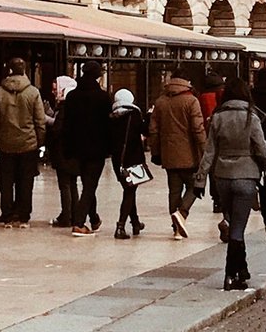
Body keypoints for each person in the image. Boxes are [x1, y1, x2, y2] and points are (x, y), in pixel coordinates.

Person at [197, 76, 266, 291]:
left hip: (223, 177)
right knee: (238, 228)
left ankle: (242, 269)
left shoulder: (218, 117)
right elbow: (263, 149)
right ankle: (230, 274)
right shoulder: (251, 116)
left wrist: (200, 180)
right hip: (246, 175)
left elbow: (209, 152)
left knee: (235, 222)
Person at [148, 73, 206, 238]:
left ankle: (176, 228)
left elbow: (153, 130)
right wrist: (205, 149)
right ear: (187, 81)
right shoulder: (191, 100)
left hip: (169, 154)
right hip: (190, 154)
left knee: (174, 191)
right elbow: (198, 128)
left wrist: (156, 151)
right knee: (195, 186)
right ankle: (182, 213)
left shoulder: (160, 102)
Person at [0, 58, 46, 226]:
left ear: (9, 71)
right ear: (24, 71)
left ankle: (7, 213)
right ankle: (23, 215)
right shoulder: (33, 92)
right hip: (28, 144)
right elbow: (40, 120)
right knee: (26, 181)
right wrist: (39, 141)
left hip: (6, 144)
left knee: (6, 181)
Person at [60, 62, 113, 235]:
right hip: (97, 148)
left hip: (76, 148)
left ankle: (94, 218)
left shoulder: (72, 96)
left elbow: (67, 125)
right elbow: (108, 125)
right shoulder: (103, 97)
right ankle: (79, 222)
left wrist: (67, 148)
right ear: (98, 75)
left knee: (88, 184)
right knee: (90, 186)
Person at [109, 88, 148, 239]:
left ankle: (136, 222)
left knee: (129, 190)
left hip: (117, 160)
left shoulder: (112, 116)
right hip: (132, 159)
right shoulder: (134, 114)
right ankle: (120, 226)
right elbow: (144, 130)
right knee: (129, 192)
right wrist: (150, 116)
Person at [45, 72, 80, 228]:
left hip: (63, 151)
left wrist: (48, 121)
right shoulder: (75, 105)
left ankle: (66, 216)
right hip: (73, 151)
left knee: (65, 185)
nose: (54, 92)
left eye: (56, 89)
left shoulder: (65, 107)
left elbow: (58, 129)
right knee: (72, 184)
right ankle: (74, 214)